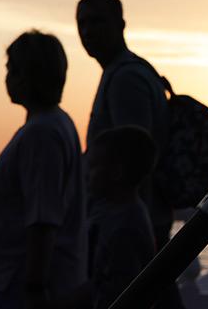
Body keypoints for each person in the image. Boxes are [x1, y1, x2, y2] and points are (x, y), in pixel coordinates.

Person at [0, 31, 85, 309]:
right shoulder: (55, 124)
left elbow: (42, 219)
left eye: (12, 69)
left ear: (30, 75)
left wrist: (35, 288)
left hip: (15, 289)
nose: (7, 77)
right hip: (11, 279)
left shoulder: (41, 134)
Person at [77, 0, 171, 249]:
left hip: (126, 225)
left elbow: (134, 160)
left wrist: (134, 224)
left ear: (120, 25)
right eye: (82, 23)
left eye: (97, 21)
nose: (88, 31)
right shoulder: (125, 72)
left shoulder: (126, 79)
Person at [58, 125, 159, 309]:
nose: (86, 174)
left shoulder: (126, 228)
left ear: (116, 173)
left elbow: (114, 291)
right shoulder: (106, 209)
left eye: (93, 166)